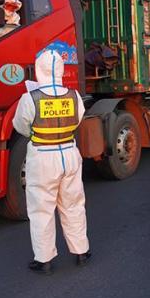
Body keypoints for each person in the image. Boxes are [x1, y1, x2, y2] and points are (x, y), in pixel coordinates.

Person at [12, 46, 91, 275]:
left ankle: (44, 260)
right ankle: (81, 251)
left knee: (42, 210)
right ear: (61, 71)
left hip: (42, 158)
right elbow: (78, 120)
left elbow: (20, 126)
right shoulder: (74, 96)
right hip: (69, 154)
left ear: (39, 70)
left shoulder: (30, 98)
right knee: (73, 205)